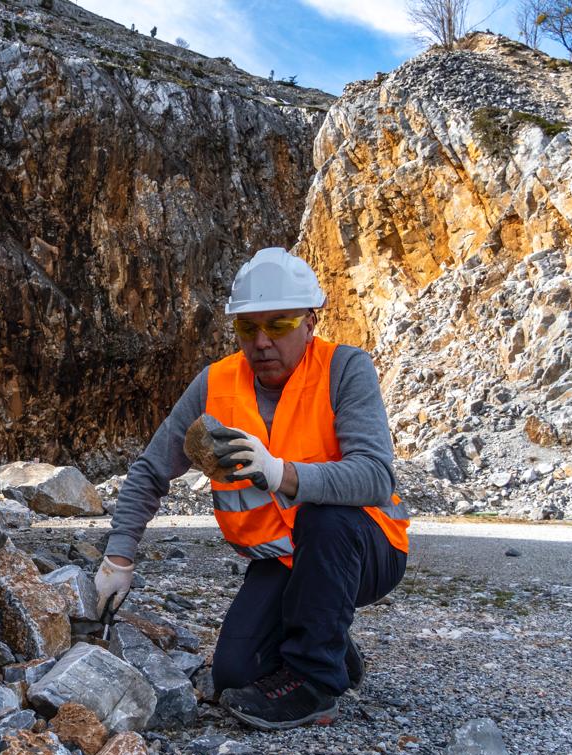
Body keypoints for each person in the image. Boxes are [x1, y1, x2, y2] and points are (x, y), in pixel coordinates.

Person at [93, 247, 409, 730]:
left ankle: (316, 684)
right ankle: (331, 644)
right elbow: (150, 470)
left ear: (309, 322)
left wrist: (282, 473)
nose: (261, 342)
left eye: (278, 325)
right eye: (247, 327)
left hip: (365, 549)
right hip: (285, 558)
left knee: (325, 516)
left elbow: (374, 476)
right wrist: (118, 558)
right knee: (234, 673)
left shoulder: (345, 369)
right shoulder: (215, 384)